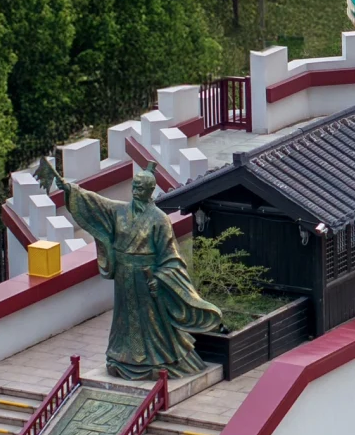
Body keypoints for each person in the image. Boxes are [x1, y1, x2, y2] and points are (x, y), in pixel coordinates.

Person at [35, 159, 222, 378]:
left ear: (150, 191)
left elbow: (170, 255)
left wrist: (161, 277)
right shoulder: (120, 211)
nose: (135, 191)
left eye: (140, 188)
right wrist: (69, 188)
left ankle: (161, 359)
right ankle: (121, 357)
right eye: (134, 186)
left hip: (147, 277)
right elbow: (97, 204)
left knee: (152, 322)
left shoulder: (159, 220)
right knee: (124, 319)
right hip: (124, 275)